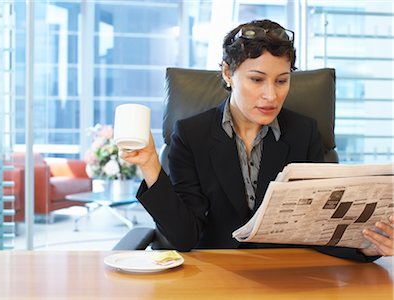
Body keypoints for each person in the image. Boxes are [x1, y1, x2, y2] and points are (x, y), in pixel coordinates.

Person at [120, 19, 394, 262]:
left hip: (286, 274)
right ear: (228, 74)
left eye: (281, 81)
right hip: (217, 275)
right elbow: (184, 238)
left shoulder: (303, 132)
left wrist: (366, 247)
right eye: (257, 79)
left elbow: (318, 226)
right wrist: (151, 165)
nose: (271, 96)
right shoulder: (191, 135)